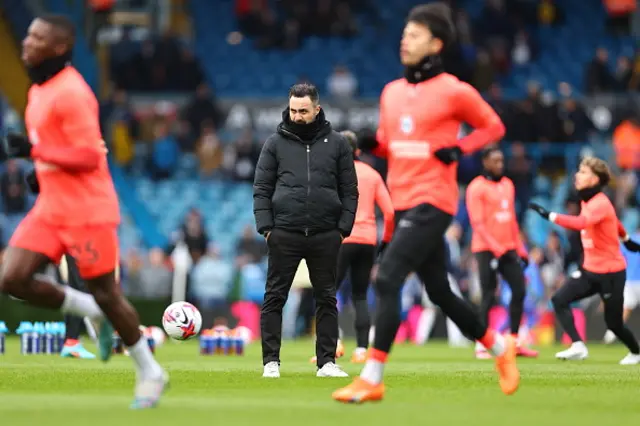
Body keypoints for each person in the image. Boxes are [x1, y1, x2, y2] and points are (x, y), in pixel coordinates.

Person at [332, 3, 518, 404]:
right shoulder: (391, 92)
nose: (405, 40)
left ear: (436, 44)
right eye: (404, 34)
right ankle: (501, 350)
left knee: (387, 277)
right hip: (401, 203)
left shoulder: (454, 90)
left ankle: (373, 377)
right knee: (440, 292)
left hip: (434, 201)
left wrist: (460, 147)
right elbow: (389, 141)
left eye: (413, 35)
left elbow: (494, 126)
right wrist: (370, 142)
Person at [0, 15, 167, 408]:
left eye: (37, 37)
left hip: (88, 211)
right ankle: (90, 310)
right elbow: (62, 148)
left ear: (58, 47)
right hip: (51, 207)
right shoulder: (39, 90)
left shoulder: (73, 92)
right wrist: (42, 176)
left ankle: (150, 371)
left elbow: (91, 154)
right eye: (28, 35)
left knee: (107, 292)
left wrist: (35, 153)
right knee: (12, 277)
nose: (26, 42)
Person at [253, 82, 358, 378]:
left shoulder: (337, 144)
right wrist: (267, 228)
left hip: (326, 234)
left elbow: (350, 190)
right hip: (284, 232)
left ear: (317, 109)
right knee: (275, 297)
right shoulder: (274, 143)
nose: (297, 116)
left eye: (303, 111)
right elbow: (261, 188)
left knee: (326, 299)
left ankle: (326, 363)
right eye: (293, 110)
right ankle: (270, 362)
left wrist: (342, 229)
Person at [529, 157, 640, 365]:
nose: (577, 175)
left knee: (614, 324)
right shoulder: (587, 200)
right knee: (559, 299)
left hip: (610, 273)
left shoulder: (600, 202)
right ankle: (578, 345)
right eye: (578, 170)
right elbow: (615, 222)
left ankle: (636, 352)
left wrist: (550, 215)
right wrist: (625, 239)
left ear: (596, 179)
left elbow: (581, 223)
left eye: (583, 172)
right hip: (590, 270)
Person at [466, 146, 538, 359]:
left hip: (508, 248)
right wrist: (496, 248)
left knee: (519, 290)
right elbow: (477, 224)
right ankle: (481, 344)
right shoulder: (476, 187)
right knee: (488, 294)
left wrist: (521, 248)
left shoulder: (507, 184)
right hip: (486, 249)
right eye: (495, 161)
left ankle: (514, 341)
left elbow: (512, 219)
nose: (500, 164)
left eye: (501, 160)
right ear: (485, 162)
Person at [334, 130, 394, 363]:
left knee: (327, 292)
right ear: (358, 151)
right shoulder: (372, 174)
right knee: (360, 294)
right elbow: (389, 212)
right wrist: (386, 241)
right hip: (368, 240)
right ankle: (361, 350)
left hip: (342, 239)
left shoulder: (334, 174)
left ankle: (333, 343)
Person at [604, 225, 640, 344]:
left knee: (625, 309)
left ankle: (610, 335)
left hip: (629, 280)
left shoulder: (628, 240)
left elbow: (619, 258)